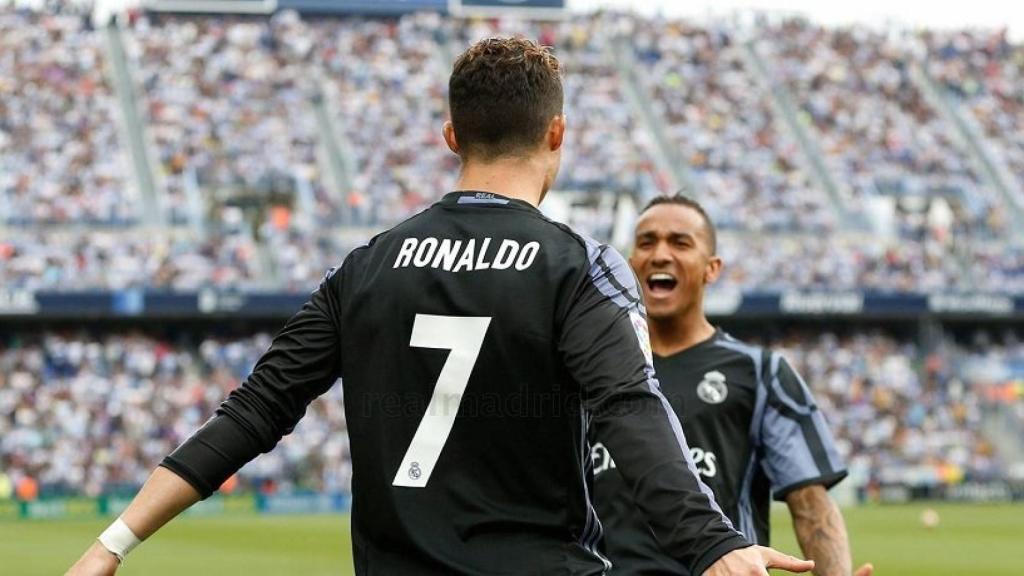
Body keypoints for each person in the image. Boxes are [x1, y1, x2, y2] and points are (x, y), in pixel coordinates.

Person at [67, 38, 814, 576]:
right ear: (556, 135)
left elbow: (254, 412)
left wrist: (114, 543)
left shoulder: (365, 266)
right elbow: (629, 409)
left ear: (452, 136)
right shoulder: (578, 265)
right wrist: (713, 544)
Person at [592, 195, 872, 576]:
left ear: (712, 268)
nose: (659, 254)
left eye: (680, 242)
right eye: (646, 242)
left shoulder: (760, 373)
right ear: (629, 265)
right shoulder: (592, 367)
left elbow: (810, 504)